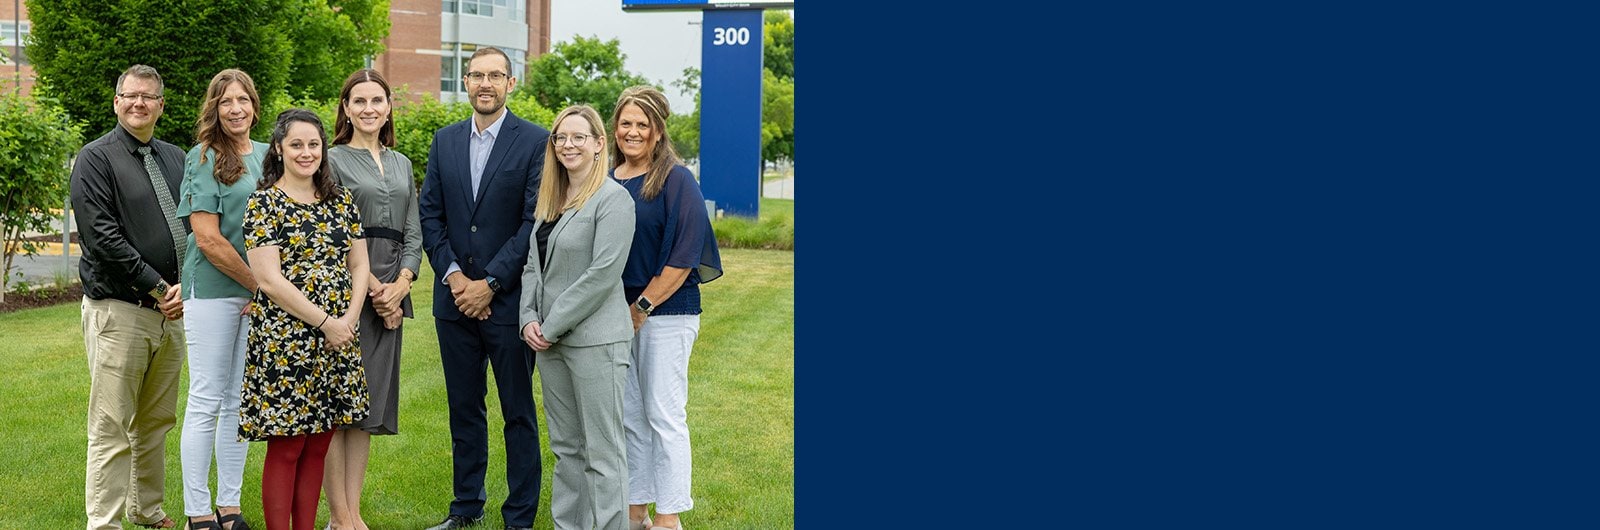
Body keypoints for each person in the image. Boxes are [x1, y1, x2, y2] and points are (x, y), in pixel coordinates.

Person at [418, 45, 549, 530]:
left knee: (518, 412)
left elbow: (534, 220)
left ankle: (519, 517)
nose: (486, 84)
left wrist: (491, 283)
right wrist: (455, 278)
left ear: (511, 83)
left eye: (496, 75)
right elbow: (430, 214)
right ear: (465, 81)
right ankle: (465, 508)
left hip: (509, 304)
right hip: (454, 304)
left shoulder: (536, 141)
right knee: (464, 411)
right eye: (477, 75)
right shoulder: (443, 141)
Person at [239, 109, 371, 530]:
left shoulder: (341, 200)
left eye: (314, 144)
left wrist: (346, 321)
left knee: (319, 443)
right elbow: (268, 280)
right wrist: (325, 322)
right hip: (286, 339)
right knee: (288, 446)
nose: (306, 152)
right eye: (296, 144)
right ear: (278, 148)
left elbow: (359, 266)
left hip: (337, 339)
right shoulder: (264, 203)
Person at [72, 63, 188, 530]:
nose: (139, 103)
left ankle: (146, 509)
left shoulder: (176, 158)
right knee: (112, 424)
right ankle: (105, 522)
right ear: (116, 101)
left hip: (174, 314)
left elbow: (194, 227)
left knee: (157, 422)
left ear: (161, 105)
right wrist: (159, 287)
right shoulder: (95, 159)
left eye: (149, 97)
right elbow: (102, 237)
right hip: (120, 310)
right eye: (130, 95)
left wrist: (186, 289)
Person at [608, 85, 723, 530]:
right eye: (626, 123)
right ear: (614, 127)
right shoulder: (607, 178)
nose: (633, 132)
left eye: (643, 125)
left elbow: (684, 255)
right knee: (629, 415)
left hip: (666, 315)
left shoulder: (677, 179)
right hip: (613, 316)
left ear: (658, 132)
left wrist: (640, 308)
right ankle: (636, 510)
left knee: (663, 414)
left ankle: (669, 516)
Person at [518, 105, 636, 530]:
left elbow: (601, 276)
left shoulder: (613, 200)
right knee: (567, 449)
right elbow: (533, 266)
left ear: (599, 144)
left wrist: (549, 325)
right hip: (550, 343)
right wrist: (528, 317)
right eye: (560, 137)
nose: (568, 145)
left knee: (603, 452)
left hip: (595, 342)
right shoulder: (551, 199)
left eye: (578, 137)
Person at [321, 67, 419, 530]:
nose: (368, 109)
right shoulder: (332, 160)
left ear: (388, 107)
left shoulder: (400, 163)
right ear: (346, 109)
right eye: (358, 101)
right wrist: (373, 290)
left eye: (376, 100)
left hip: (393, 288)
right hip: (346, 288)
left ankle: (353, 512)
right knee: (338, 406)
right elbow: (332, 229)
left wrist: (401, 284)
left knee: (367, 409)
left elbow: (414, 229)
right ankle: (340, 518)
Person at [176, 68, 266, 530]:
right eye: (225, 101)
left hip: (258, 294)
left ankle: (229, 509)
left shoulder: (271, 156)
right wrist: (260, 286)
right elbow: (207, 239)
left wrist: (266, 290)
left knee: (238, 400)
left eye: (243, 100)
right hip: (213, 291)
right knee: (207, 397)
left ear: (255, 104)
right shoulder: (204, 156)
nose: (235, 109)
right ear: (214, 109)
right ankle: (197, 512)